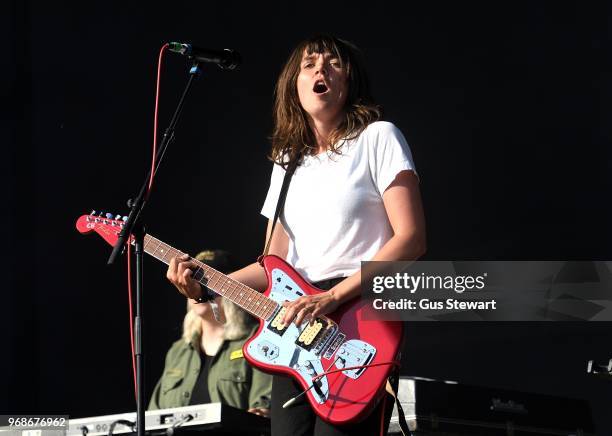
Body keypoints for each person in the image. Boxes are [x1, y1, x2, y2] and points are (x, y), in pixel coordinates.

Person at [166, 35, 426, 436]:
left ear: (350, 81)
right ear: (294, 84)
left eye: (333, 63)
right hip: (295, 329)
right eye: (309, 64)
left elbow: (411, 239)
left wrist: (332, 297)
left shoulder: (379, 137)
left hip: (355, 315)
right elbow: (272, 266)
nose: (321, 70)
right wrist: (204, 286)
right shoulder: (287, 163)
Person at [150, 250, 272, 417]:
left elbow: (263, 412)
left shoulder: (258, 342)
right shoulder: (178, 351)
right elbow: (153, 418)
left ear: (232, 290)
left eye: (206, 282)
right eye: (191, 281)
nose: (197, 289)